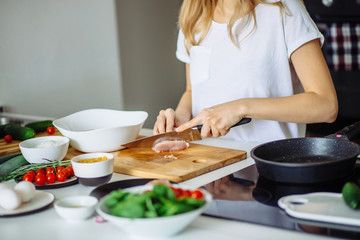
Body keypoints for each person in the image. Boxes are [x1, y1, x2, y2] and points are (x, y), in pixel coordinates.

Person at [153, 0, 338, 142]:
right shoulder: (193, 17)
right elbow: (192, 91)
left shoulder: (284, 8)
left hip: (272, 167)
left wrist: (241, 108)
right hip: (209, 167)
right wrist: (180, 118)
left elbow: (326, 105)